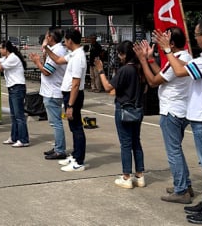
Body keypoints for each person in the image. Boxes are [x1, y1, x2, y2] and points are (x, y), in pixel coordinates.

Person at [153, 17, 202, 224]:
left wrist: (167, 50)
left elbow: (178, 70)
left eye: (196, 35)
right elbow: (187, 66)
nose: (194, 38)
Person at [133, 27, 194, 204]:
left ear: (172, 43)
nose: (160, 41)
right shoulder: (183, 57)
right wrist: (151, 58)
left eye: (164, 38)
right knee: (177, 150)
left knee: (173, 152)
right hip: (181, 110)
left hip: (172, 112)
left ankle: (181, 190)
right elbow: (163, 72)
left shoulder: (177, 58)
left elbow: (153, 81)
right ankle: (184, 185)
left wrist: (143, 60)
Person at [95, 40, 146, 189]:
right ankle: (140, 175)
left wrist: (101, 70)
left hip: (124, 109)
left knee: (125, 143)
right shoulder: (140, 68)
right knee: (136, 141)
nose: (119, 56)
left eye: (120, 53)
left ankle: (126, 176)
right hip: (138, 108)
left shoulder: (125, 70)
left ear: (124, 54)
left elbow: (107, 87)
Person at [43, 29, 87, 172]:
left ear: (70, 41)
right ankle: (75, 156)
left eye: (66, 41)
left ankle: (79, 161)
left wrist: (70, 105)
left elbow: (75, 84)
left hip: (73, 96)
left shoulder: (78, 57)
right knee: (73, 128)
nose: (64, 43)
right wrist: (46, 49)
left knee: (77, 129)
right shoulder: (73, 54)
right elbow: (58, 60)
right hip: (69, 94)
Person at [28, 27, 68, 160]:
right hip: (52, 90)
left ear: (50, 37)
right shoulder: (57, 50)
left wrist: (37, 62)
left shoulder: (57, 50)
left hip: (53, 92)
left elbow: (47, 71)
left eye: (46, 36)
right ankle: (58, 146)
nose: (45, 38)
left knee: (56, 122)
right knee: (54, 122)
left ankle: (60, 150)